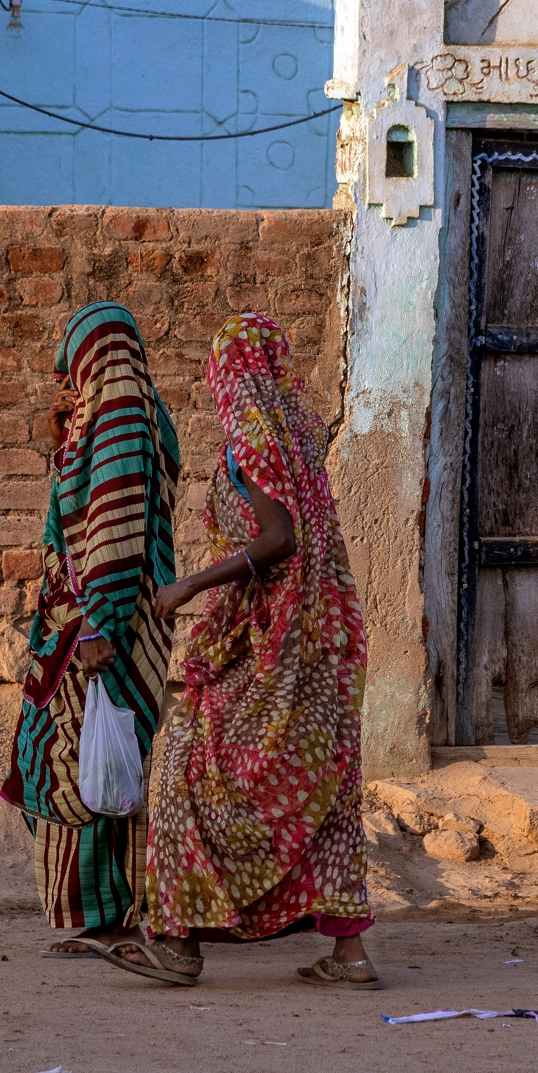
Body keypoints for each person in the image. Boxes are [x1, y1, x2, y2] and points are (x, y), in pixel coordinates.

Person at [101, 311, 376, 989]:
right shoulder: (303, 431)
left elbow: (278, 536)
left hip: (270, 642)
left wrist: (188, 585)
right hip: (321, 638)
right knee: (327, 785)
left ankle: (180, 941)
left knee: (185, 769)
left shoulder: (251, 438)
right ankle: (350, 955)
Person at [0, 301, 181, 956]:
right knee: (76, 761)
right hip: (82, 621)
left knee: (98, 764)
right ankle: (102, 913)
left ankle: (117, 918)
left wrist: (98, 625)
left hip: (110, 624)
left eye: (75, 365)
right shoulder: (107, 417)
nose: (67, 379)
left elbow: (115, 531)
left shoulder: (125, 416)